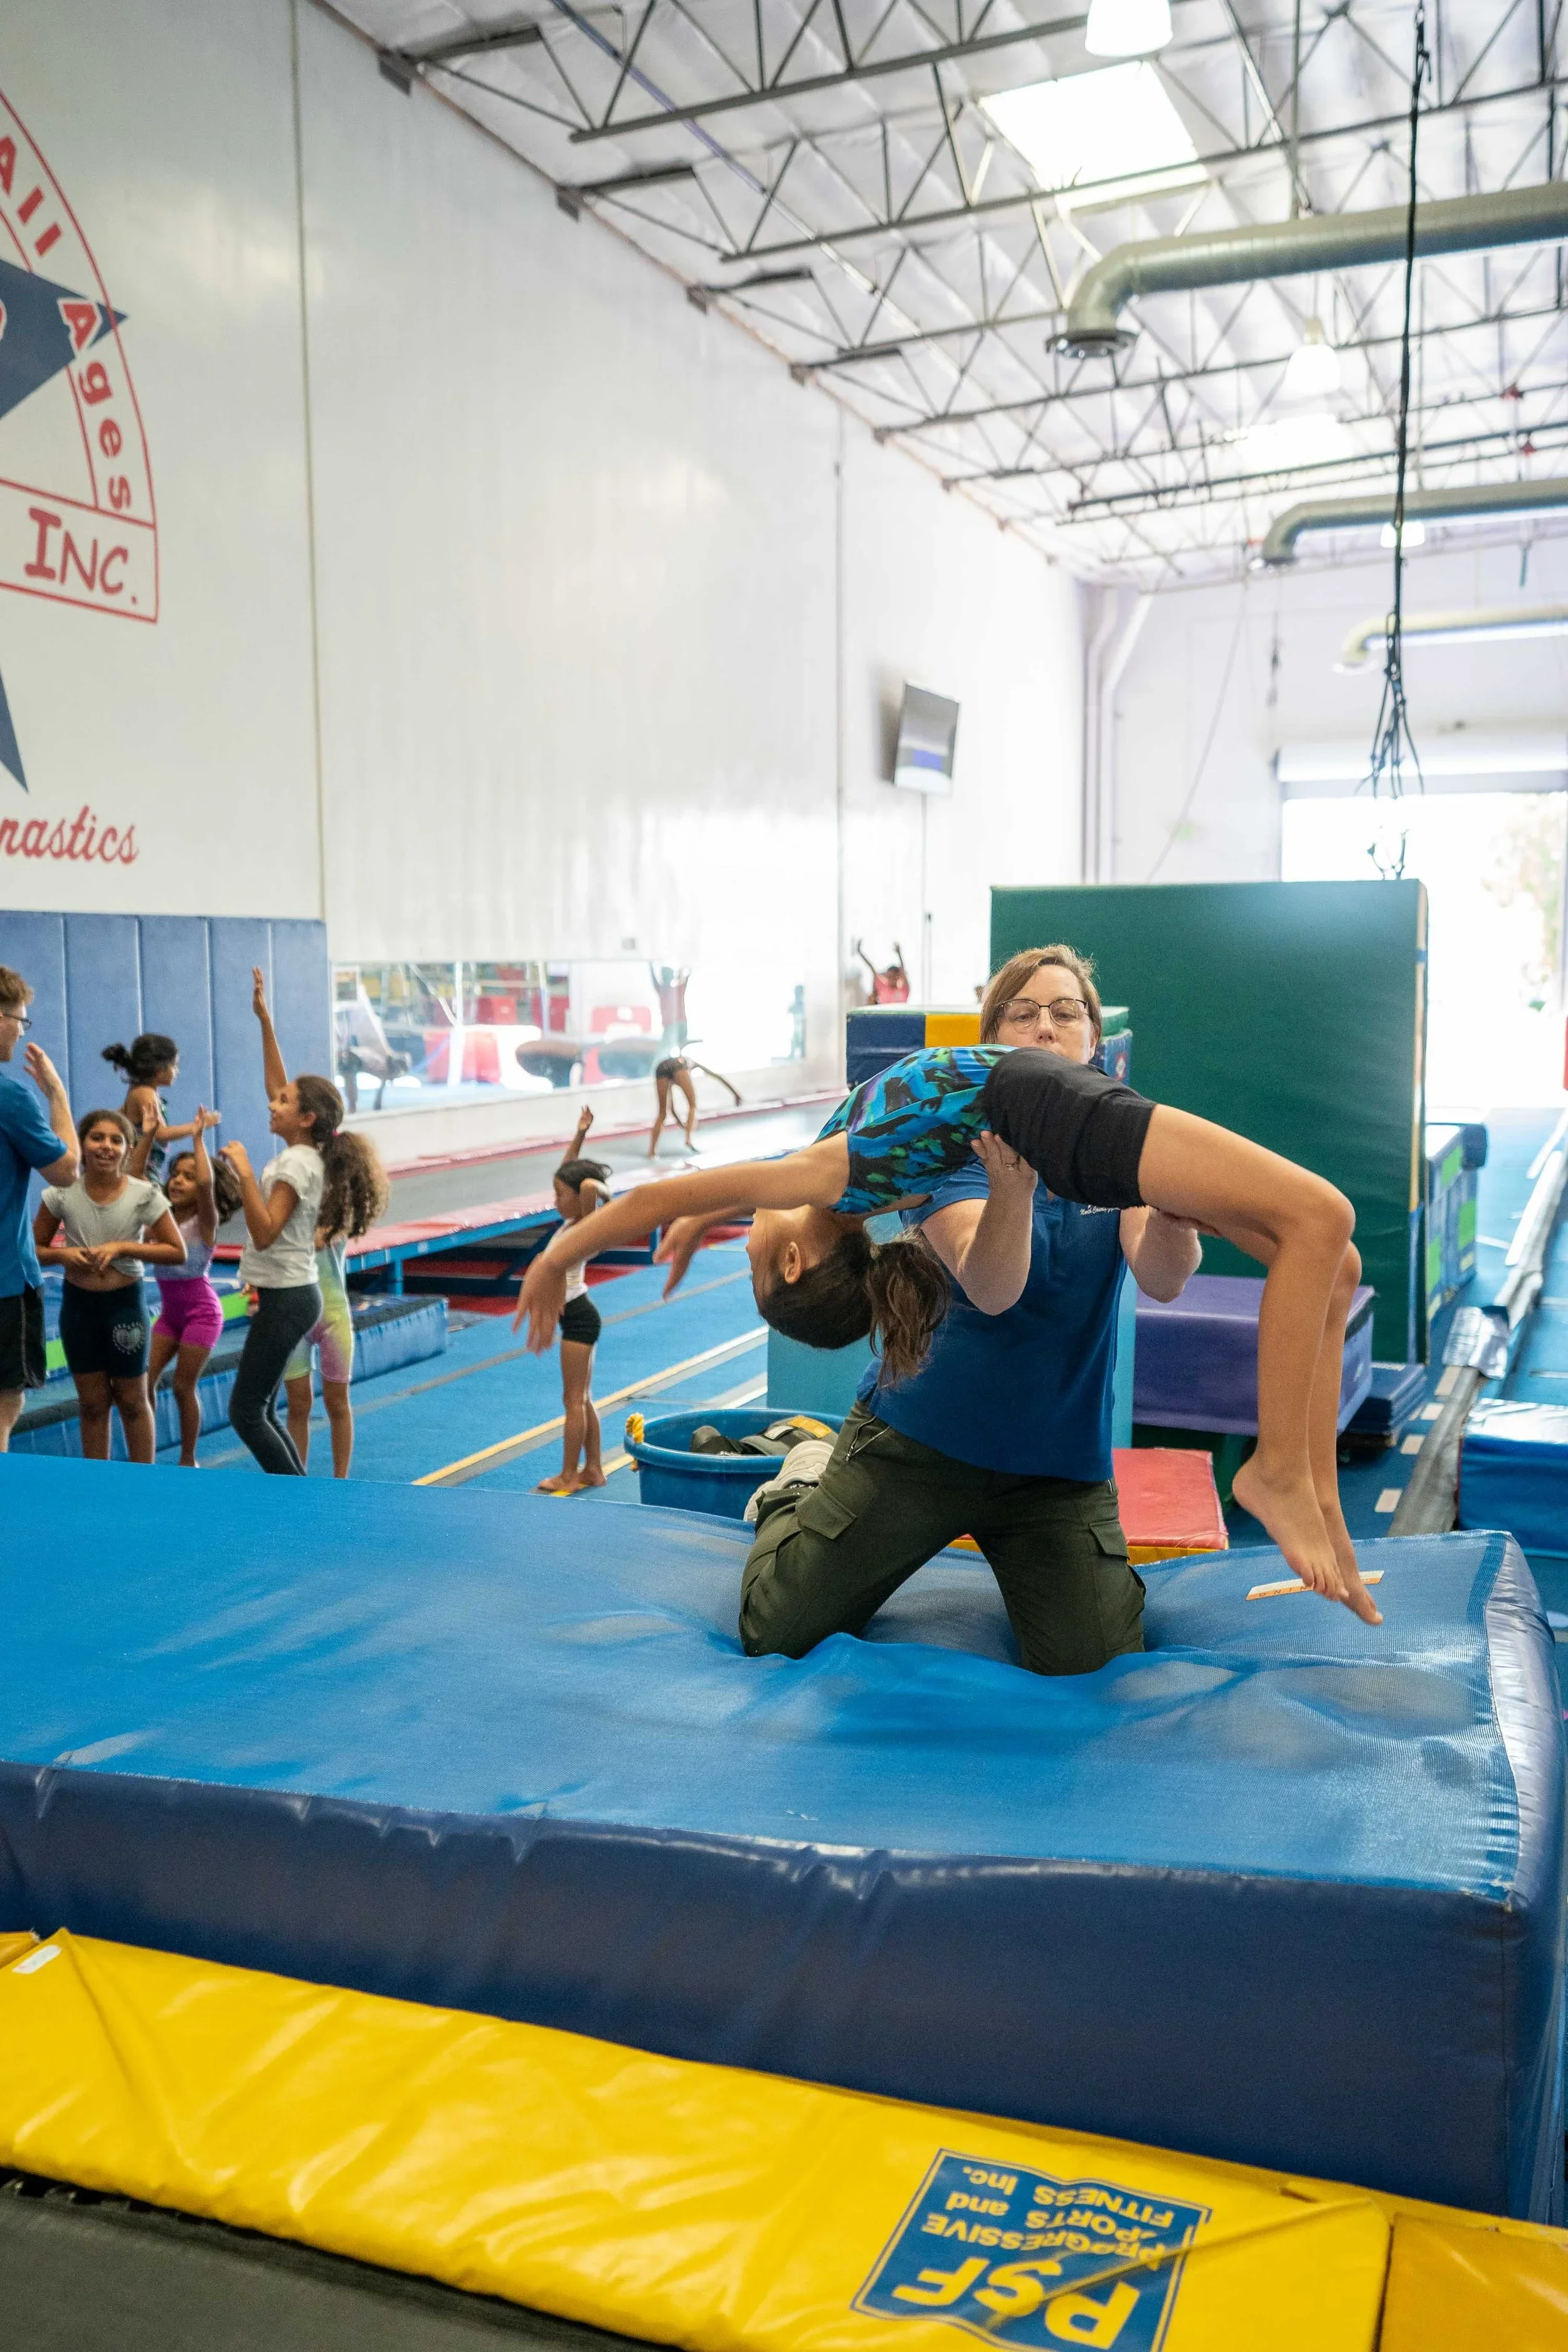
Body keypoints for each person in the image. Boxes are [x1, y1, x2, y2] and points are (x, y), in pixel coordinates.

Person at [514, 1016, 1375, 1619]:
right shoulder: (833, 1176)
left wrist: (701, 1218)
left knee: (1339, 1264)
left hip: (1060, 1111)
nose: (746, 1226)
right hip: (1052, 1110)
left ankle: (1321, 1500)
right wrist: (559, 1257)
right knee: (1321, 1217)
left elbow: (718, 1193)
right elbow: (677, 1188)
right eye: (750, 1244)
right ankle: (1279, 1473)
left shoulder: (863, 1180)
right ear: (792, 1257)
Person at [739, 947, 1202, 1674]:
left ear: (1096, 1044)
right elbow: (991, 1284)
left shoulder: (1122, 1150)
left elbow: (1164, 1277)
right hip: (918, 1446)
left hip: (1053, 1471)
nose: (1046, 1027)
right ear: (992, 1044)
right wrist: (1013, 1193)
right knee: (776, 1629)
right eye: (1023, 1013)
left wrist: (1175, 1214)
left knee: (1094, 1664)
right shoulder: (949, 1143)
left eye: (1066, 1011)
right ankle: (799, 1479)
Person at [219, 968, 369, 1476]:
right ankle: (296, 1490)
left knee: (245, 1411)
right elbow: (279, 1084)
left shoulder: (294, 1165)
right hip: (291, 1293)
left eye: (283, 1102)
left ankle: (294, 1498)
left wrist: (241, 1170)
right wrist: (265, 1022)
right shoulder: (309, 1154)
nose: (271, 1102)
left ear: (306, 1119)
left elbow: (263, 1231)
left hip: (290, 1297)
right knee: (258, 1408)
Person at [34, 1108, 186, 1463]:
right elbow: (35, 1250)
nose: (106, 1147)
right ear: (82, 1145)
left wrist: (122, 1247)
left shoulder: (143, 1194)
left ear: (129, 1149)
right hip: (79, 1308)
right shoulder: (62, 1193)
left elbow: (176, 1251)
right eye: (97, 1138)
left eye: (116, 1140)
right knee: (92, 1404)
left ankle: (142, 1481)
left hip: (125, 1305)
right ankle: (96, 1482)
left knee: (133, 1401)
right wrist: (64, 1256)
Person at [0, 967, 79, 1451]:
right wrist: (57, 1096)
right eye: (19, 1021)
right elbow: (67, 1171)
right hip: (5, 1282)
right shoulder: (10, 1098)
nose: (20, 1030)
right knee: (5, 1405)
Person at [282, 1155, 390, 1481]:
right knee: (298, 1404)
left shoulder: (343, 1216)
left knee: (337, 1402)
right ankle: (295, 1477)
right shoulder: (288, 1208)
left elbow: (313, 1241)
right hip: (294, 1314)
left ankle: (340, 1478)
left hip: (332, 1315)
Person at [148, 1108, 239, 1467]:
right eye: (175, 1175)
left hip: (201, 1311)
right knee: (144, 1384)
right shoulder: (159, 1220)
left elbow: (206, 1185)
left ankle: (189, 1458)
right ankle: (147, 1452)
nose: (179, 1181)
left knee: (183, 1387)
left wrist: (198, 1139)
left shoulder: (206, 1222)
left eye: (188, 1176)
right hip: (170, 1314)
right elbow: (141, 1180)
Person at [534, 1108, 612, 1494]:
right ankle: (594, 1468)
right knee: (582, 1397)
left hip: (579, 1315)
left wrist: (602, 1188)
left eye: (558, 1195)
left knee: (572, 1400)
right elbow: (572, 1175)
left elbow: (587, 1188)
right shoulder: (570, 1223)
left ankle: (568, 1474)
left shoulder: (584, 1224)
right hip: (579, 1314)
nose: (554, 1201)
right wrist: (580, 1134)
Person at [102, 1032, 212, 1182]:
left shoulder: (139, 1090)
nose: (177, 1071)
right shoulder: (146, 1093)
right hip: (142, 1170)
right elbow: (160, 1133)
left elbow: (119, 1117)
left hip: (142, 1168)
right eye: (175, 1066)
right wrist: (197, 1126)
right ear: (160, 1069)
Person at [647, 1054, 742, 1156]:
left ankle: (652, 1151)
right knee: (692, 1105)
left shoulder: (672, 1077)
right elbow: (718, 1077)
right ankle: (688, 1140)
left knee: (662, 1114)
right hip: (678, 1064)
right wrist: (735, 1093)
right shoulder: (691, 1063)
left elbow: (672, 1110)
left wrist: (683, 1126)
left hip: (661, 1067)